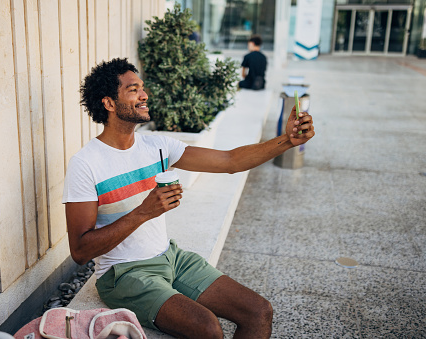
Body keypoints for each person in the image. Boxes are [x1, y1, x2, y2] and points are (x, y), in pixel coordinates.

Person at [63, 58, 314, 338]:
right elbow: (81, 251)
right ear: (109, 103)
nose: (144, 95)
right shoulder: (86, 164)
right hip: (123, 274)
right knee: (207, 327)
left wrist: (287, 140)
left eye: (142, 88)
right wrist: (144, 212)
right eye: (133, 89)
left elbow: (230, 161)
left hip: (171, 257)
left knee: (258, 310)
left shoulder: (157, 145)